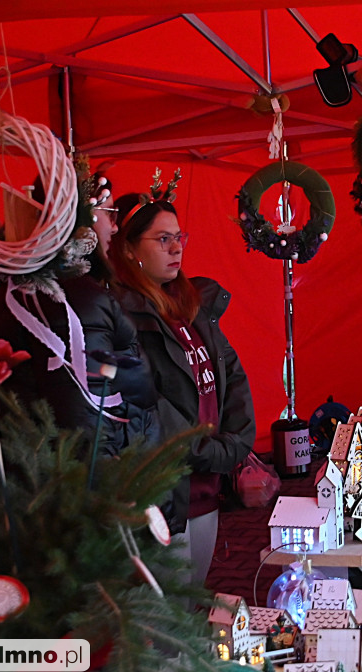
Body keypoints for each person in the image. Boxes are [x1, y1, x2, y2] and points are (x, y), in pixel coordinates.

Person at [110, 182, 256, 588]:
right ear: (129, 249)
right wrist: (209, 451)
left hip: (207, 487)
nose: (176, 248)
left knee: (192, 606)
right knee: (167, 618)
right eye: (162, 239)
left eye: (179, 237)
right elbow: (147, 403)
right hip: (167, 492)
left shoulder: (193, 305)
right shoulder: (124, 317)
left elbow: (230, 374)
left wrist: (238, 440)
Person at [0, 166, 157, 457]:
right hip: (86, 488)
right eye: (109, 212)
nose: (114, 226)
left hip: (37, 482)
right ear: (79, 217)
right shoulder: (71, 299)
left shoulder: (21, 290)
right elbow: (86, 425)